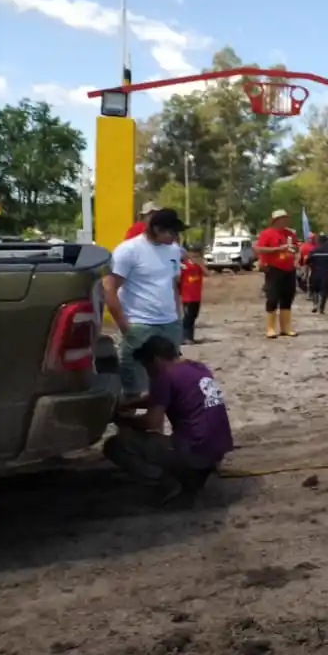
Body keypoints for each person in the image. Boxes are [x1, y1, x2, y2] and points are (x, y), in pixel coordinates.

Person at [104, 334, 234, 505]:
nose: (148, 373)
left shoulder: (164, 376)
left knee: (115, 446)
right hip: (216, 450)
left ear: (156, 361)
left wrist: (122, 419)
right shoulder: (198, 368)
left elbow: (152, 423)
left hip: (193, 452)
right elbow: (162, 397)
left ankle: (165, 483)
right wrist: (129, 404)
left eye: (147, 366)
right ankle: (197, 474)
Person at [104, 208, 186, 399]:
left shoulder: (173, 251)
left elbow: (173, 285)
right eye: (172, 232)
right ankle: (127, 426)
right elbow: (109, 289)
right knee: (133, 382)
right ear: (157, 229)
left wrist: (178, 317)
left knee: (167, 383)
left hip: (170, 324)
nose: (175, 237)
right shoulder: (128, 251)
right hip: (140, 325)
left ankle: (155, 425)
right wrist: (125, 326)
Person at [255, 209, 300, 338]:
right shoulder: (267, 233)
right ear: (276, 220)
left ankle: (286, 327)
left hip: (289, 268)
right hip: (274, 268)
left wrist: (295, 251)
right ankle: (270, 328)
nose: (286, 221)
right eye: (283, 219)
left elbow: (296, 247)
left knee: (288, 297)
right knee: (273, 297)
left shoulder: (290, 234)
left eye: (286, 218)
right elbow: (258, 249)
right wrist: (278, 249)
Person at [305, 234, 328, 314]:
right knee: (324, 292)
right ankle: (322, 307)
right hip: (327, 274)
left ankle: (315, 304)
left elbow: (307, 263)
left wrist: (306, 274)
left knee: (314, 290)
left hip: (315, 273)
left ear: (318, 242)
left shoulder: (313, 252)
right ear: (327, 242)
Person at [179, 248, 205, 344]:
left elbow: (207, 273)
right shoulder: (184, 266)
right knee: (187, 317)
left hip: (196, 296)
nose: (195, 258)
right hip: (187, 296)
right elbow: (178, 279)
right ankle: (184, 337)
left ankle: (190, 337)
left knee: (194, 316)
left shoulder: (198, 267)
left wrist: (201, 264)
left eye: (197, 256)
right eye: (193, 255)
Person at [297, 232, 318, 299]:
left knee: (311, 278)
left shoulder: (317, 246)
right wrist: (300, 264)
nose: (312, 239)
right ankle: (309, 293)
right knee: (307, 277)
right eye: (311, 238)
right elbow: (300, 256)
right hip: (306, 264)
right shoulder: (304, 246)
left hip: (314, 264)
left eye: (313, 238)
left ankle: (312, 292)